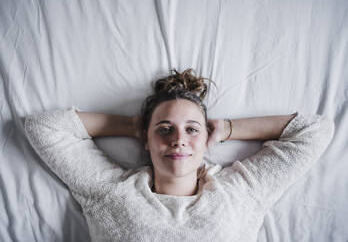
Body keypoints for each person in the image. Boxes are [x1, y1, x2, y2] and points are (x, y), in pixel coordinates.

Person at [24, 68, 335, 242]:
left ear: (206, 139)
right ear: (146, 140)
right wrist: (136, 125)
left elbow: (314, 130)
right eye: (163, 129)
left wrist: (227, 128)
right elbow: (44, 127)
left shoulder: (242, 193)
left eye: (192, 130)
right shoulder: (111, 194)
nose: (178, 140)